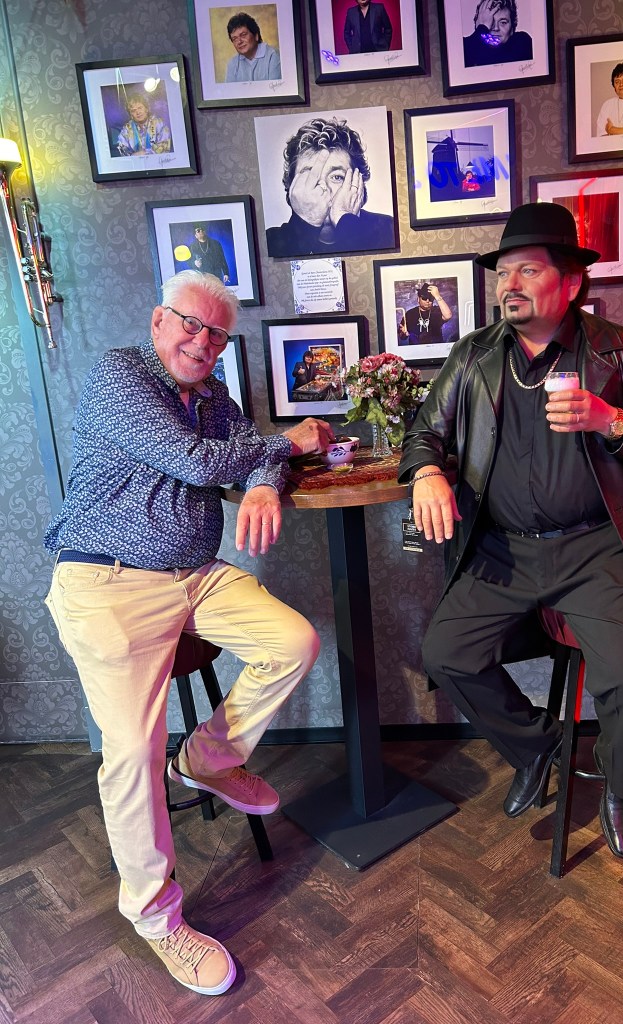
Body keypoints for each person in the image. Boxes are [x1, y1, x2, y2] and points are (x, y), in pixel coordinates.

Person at [44, 270, 336, 995]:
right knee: (131, 754)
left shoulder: (213, 395)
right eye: (190, 324)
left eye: (217, 334)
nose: (202, 342)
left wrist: (266, 477)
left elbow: (255, 453)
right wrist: (284, 444)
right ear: (158, 321)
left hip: (194, 576)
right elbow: (195, 460)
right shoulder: (120, 375)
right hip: (107, 579)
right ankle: (157, 919)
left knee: (293, 642)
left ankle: (206, 758)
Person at [398, 203, 623, 861]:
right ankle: (539, 747)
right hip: (503, 550)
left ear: (572, 282)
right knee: (446, 654)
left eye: (527, 270)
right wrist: (426, 473)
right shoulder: (474, 355)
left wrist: (612, 420)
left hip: (598, 550)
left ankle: (620, 786)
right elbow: (424, 433)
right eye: (503, 272)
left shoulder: (621, 352)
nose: (509, 284)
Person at [266, 117, 395, 258]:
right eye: (310, 177)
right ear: (291, 187)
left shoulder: (388, 230)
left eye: (337, 177)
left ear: (358, 184)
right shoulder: (270, 243)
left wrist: (346, 221)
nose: (323, 188)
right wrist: (306, 223)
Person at [463, 0, 533, 67]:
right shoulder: (465, 45)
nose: (496, 28)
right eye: (490, 22)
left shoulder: (522, 42)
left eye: (503, 22)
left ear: (512, 28)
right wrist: (482, 27)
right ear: (478, 24)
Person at [225, 12, 281, 82]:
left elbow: (276, 88)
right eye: (235, 39)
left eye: (243, 35)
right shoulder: (232, 64)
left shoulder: (273, 56)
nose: (239, 41)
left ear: (256, 36)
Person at [116, 91, 171, 156]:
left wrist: (144, 153)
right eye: (133, 110)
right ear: (131, 115)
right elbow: (122, 149)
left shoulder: (159, 124)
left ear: (146, 109)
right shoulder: (127, 129)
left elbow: (164, 147)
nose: (138, 112)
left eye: (140, 108)